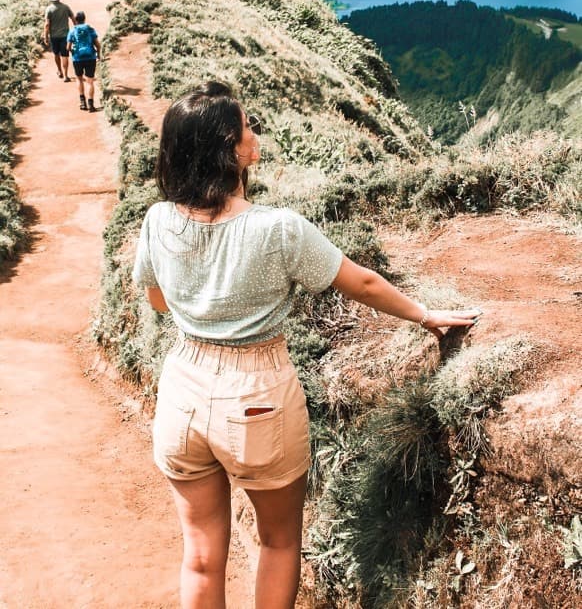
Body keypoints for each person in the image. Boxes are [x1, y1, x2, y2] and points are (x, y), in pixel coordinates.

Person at [132, 81, 481, 609]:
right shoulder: (278, 229)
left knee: (200, 556)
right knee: (277, 542)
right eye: (247, 125)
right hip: (256, 392)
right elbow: (360, 282)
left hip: (180, 390)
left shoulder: (158, 220)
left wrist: (201, 303)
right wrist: (424, 315)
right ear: (230, 146)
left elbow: (157, 300)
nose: (256, 132)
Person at [66, 11, 101, 111]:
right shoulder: (90, 29)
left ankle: (83, 103)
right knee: (90, 81)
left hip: (77, 58)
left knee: (79, 79)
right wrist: (98, 54)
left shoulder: (72, 31)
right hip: (90, 57)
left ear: (76, 20)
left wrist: (73, 52)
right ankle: (91, 104)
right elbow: (97, 44)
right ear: (84, 19)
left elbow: (67, 47)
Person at [43, 0, 75, 81]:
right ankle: (65, 75)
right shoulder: (65, 7)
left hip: (54, 36)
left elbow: (47, 24)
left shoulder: (49, 9)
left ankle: (59, 70)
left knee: (56, 54)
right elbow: (73, 19)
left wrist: (46, 36)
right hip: (65, 35)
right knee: (65, 55)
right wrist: (77, 30)